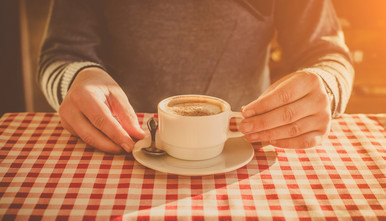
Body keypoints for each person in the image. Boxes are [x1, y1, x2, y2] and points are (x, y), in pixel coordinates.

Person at [39, 0, 354, 153]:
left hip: (245, 151)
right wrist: (77, 77)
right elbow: (60, 54)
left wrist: (324, 86)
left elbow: (328, 54)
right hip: (121, 151)